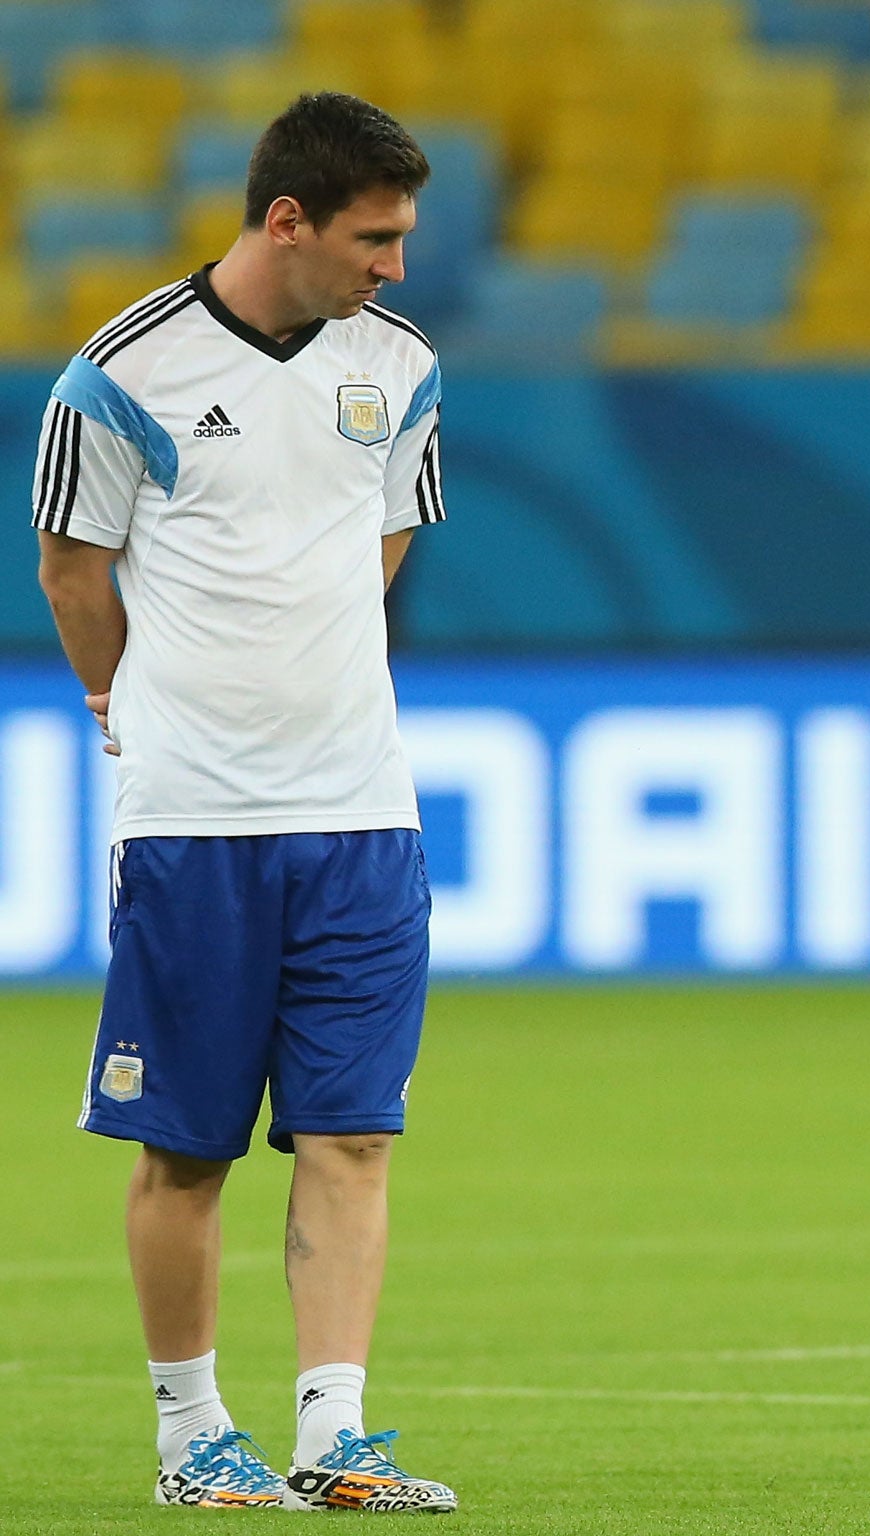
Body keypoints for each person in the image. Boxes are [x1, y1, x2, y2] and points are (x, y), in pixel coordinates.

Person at [33, 93, 455, 1512]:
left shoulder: (400, 367)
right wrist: (128, 711)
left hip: (361, 813)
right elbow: (73, 575)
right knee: (189, 1146)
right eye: (374, 237)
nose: (393, 266)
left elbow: (384, 534)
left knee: (353, 1133)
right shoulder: (118, 374)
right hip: (192, 824)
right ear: (289, 221)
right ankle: (190, 1436)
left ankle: (336, 1438)